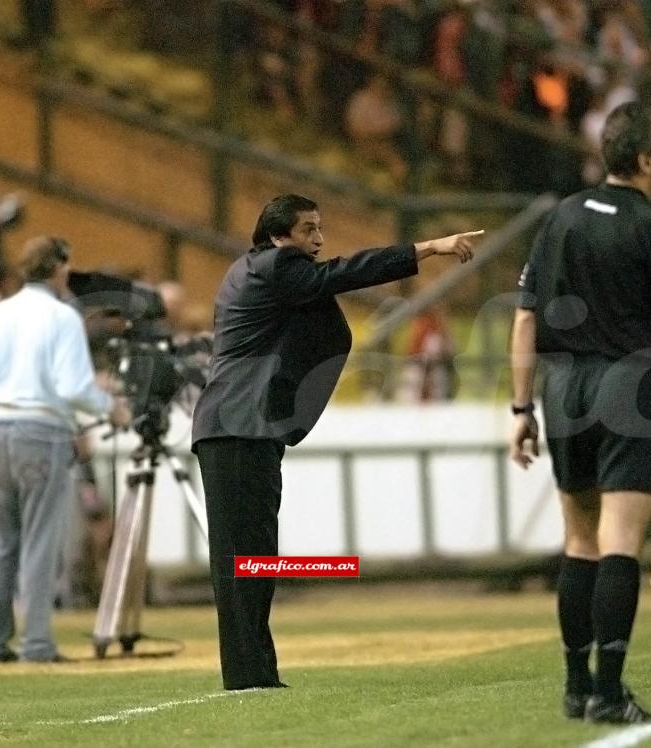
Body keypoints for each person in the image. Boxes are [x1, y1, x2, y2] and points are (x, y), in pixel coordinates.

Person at [507, 101, 651, 724]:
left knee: (580, 541)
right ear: (645, 160)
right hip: (631, 389)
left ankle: (576, 686)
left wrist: (519, 407)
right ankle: (610, 693)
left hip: (565, 392)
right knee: (619, 543)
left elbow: (526, 317)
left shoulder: (560, 217)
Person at [191, 193, 480, 690]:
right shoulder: (277, 266)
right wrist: (428, 248)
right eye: (308, 230)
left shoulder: (256, 270)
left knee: (251, 554)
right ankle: (247, 675)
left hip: (238, 425)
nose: (319, 240)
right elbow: (345, 273)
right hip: (238, 425)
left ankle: (254, 672)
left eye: (320, 228)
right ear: (279, 235)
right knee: (245, 556)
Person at [0, 236, 130, 663]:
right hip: (44, 433)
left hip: (0, 433)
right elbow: (74, 386)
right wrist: (112, 408)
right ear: (59, 269)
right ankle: (36, 643)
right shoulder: (62, 317)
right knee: (40, 541)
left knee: (0, 544)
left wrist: (5, 410)